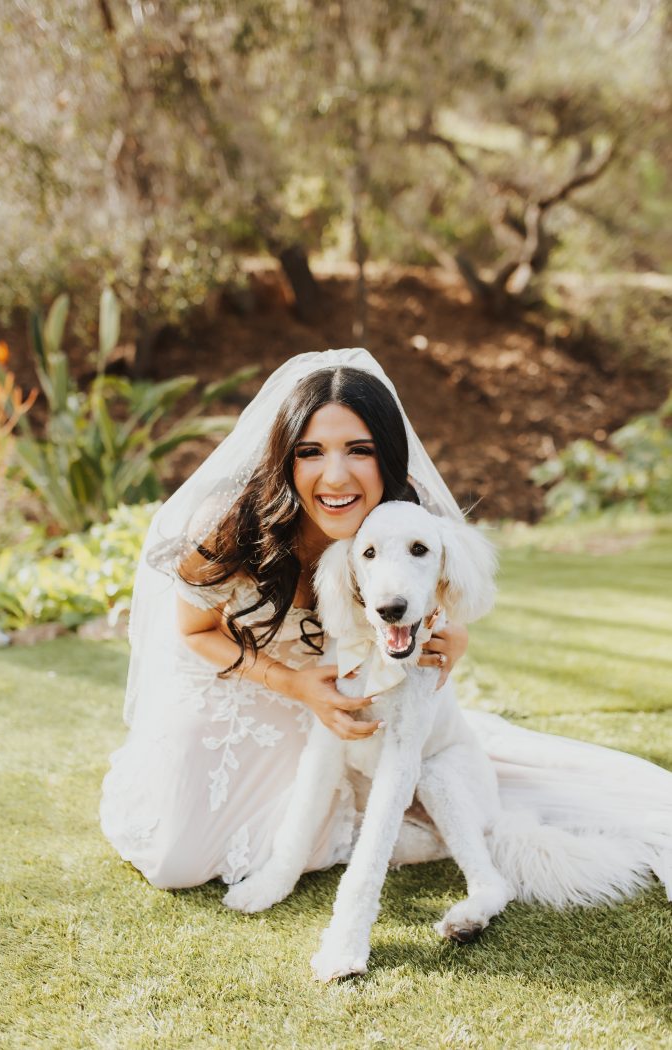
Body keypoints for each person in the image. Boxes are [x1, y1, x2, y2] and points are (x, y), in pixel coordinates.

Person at [101, 348, 672, 902]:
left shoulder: (405, 520)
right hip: (245, 686)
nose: (335, 475)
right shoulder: (230, 525)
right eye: (311, 452)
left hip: (349, 704)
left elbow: (444, 607)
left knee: (395, 785)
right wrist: (294, 684)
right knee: (175, 857)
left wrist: (457, 638)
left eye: (359, 450)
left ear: (388, 456)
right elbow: (195, 632)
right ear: (285, 458)